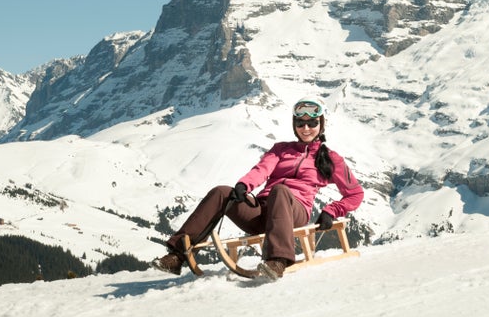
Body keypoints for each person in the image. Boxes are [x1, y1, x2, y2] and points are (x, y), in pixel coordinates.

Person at [153, 96, 364, 279]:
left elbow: (355, 194)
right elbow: (262, 169)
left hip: (294, 212)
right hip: (262, 211)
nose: (306, 128)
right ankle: (177, 256)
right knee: (221, 192)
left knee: (280, 191)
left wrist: (331, 211)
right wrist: (244, 185)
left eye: (312, 123)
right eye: (300, 123)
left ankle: (278, 260)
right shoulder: (281, 149)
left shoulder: (330, 158)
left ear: (321, 124)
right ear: (294, 125)